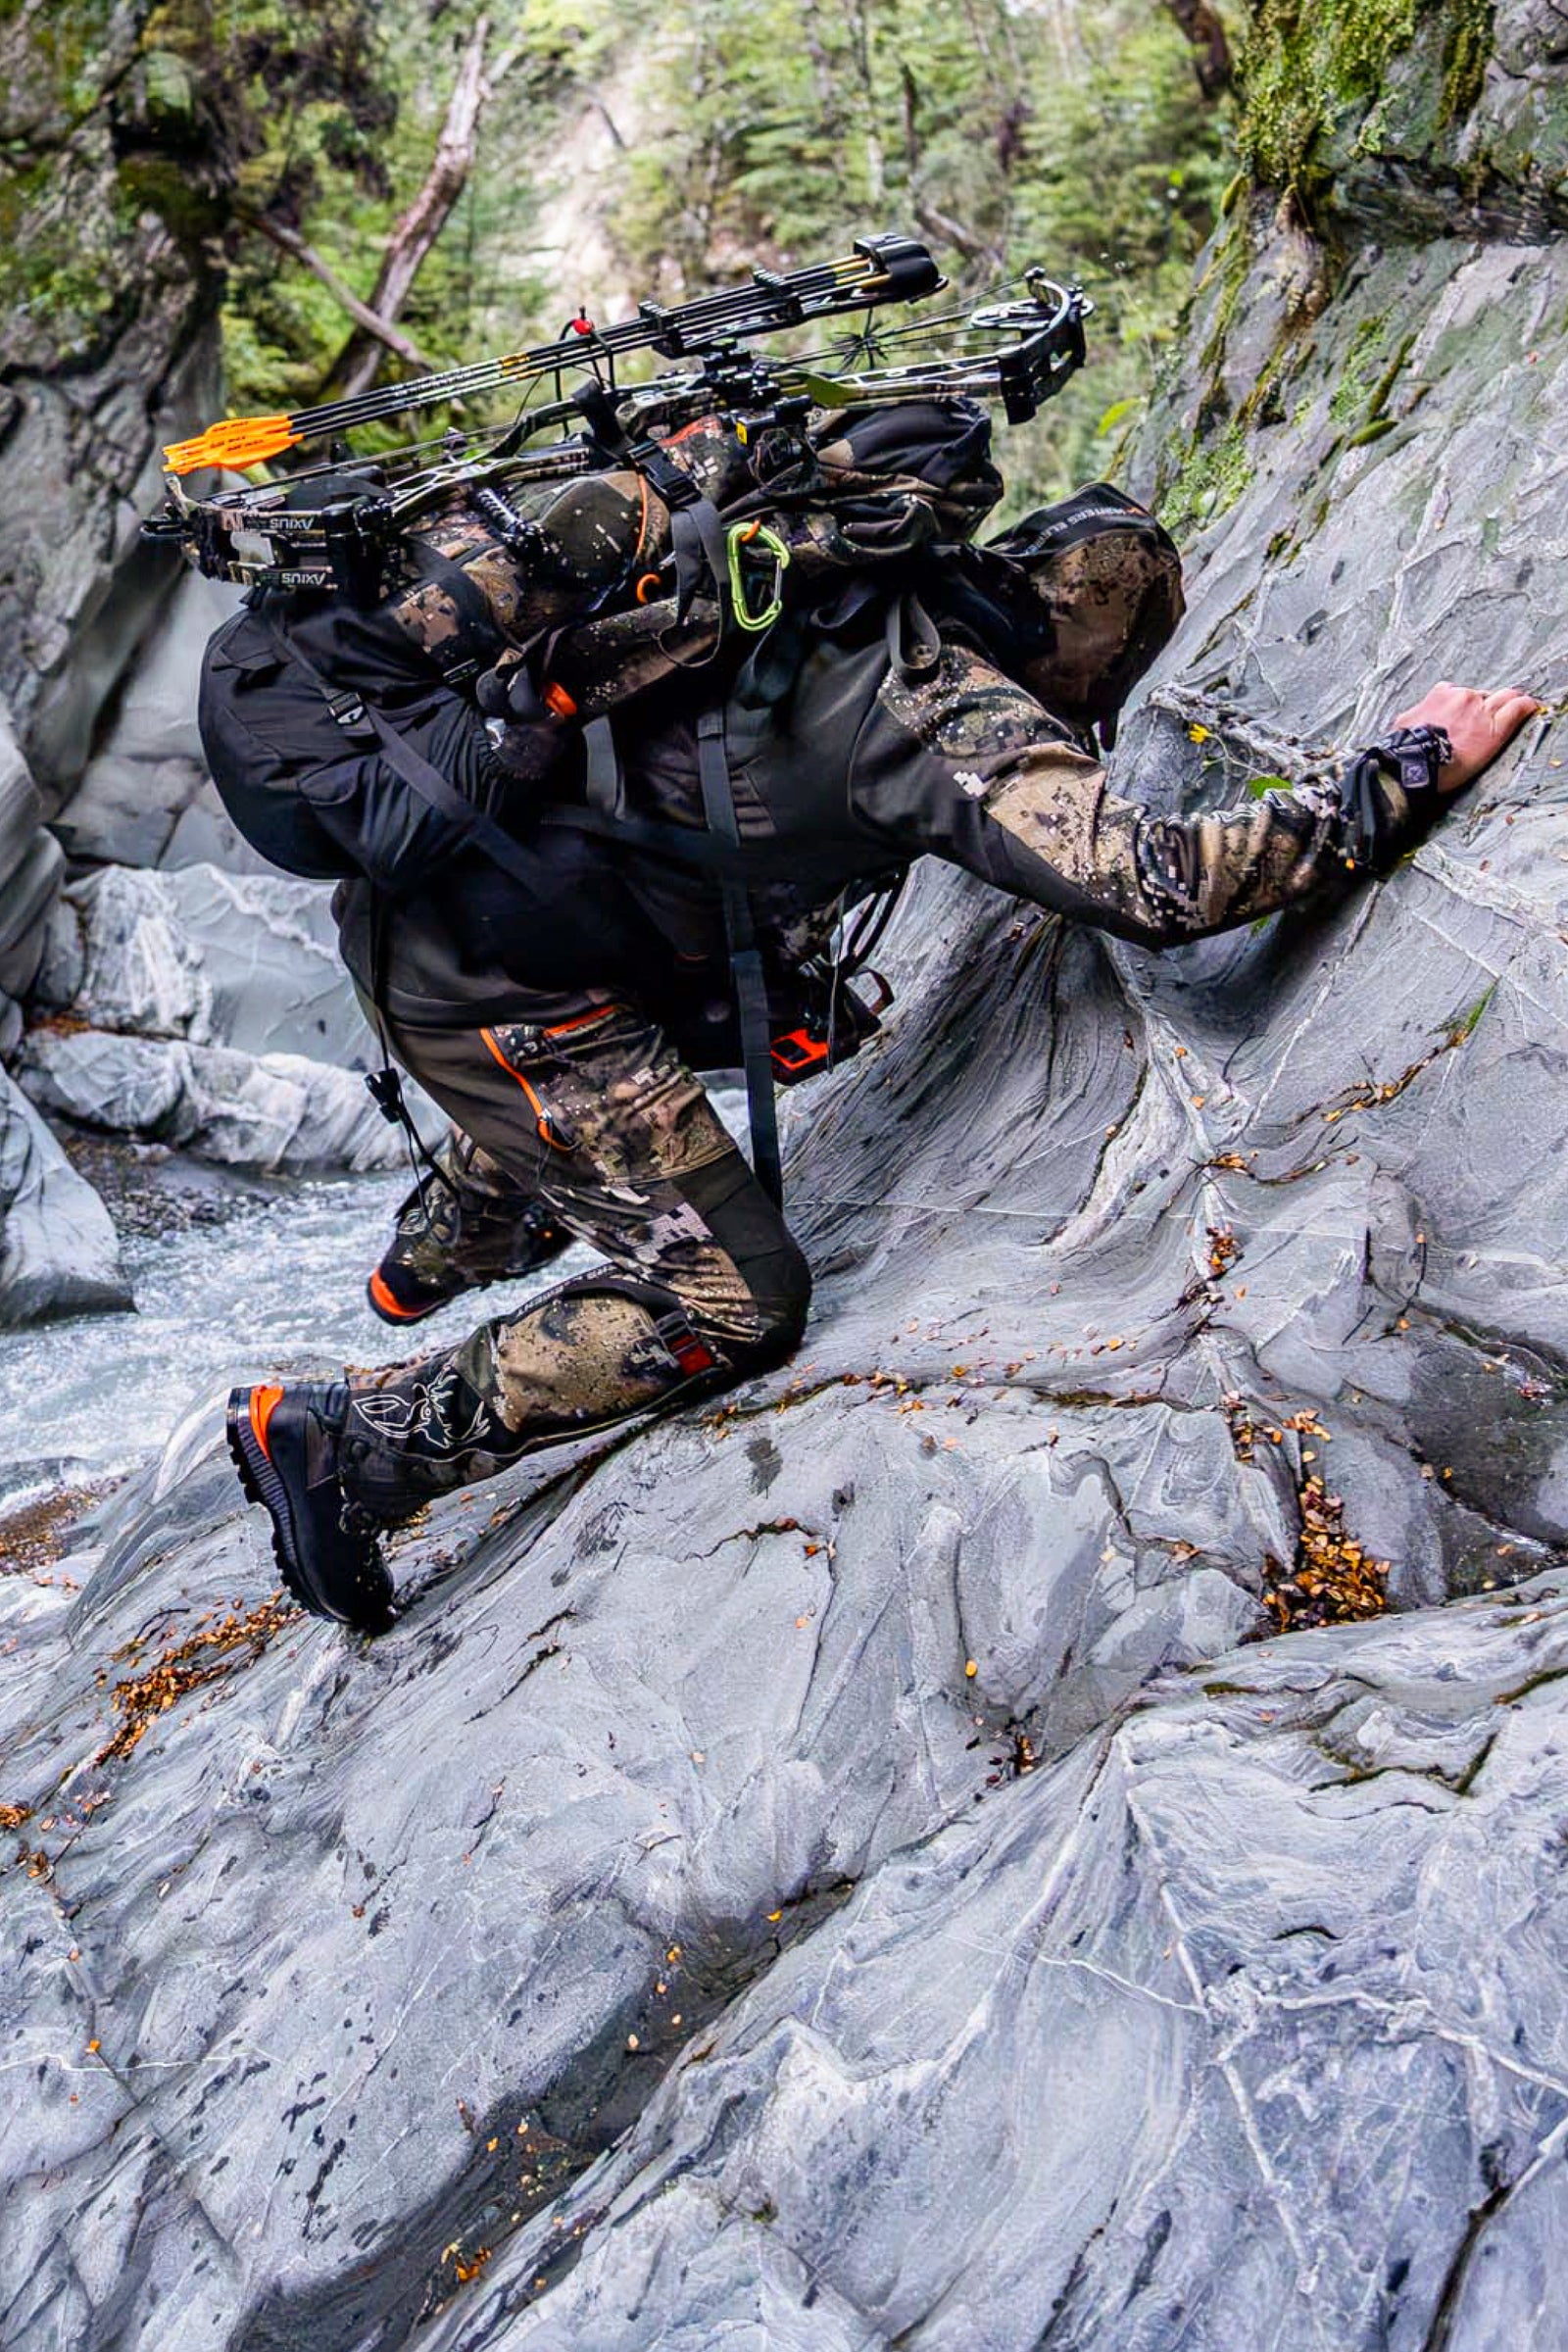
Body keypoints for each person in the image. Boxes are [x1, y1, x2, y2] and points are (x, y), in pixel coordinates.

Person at [217, 465, 1540, 1634]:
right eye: (1114, 672)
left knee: (673, 1077)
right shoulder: (946, 709)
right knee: (739, 1300)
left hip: (510, 925)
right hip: (501, 988)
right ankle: (353, 1448)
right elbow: (1161, 882)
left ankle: (444, 1245)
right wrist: (1408, 766)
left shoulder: (847, 584)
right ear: (1092, 642)